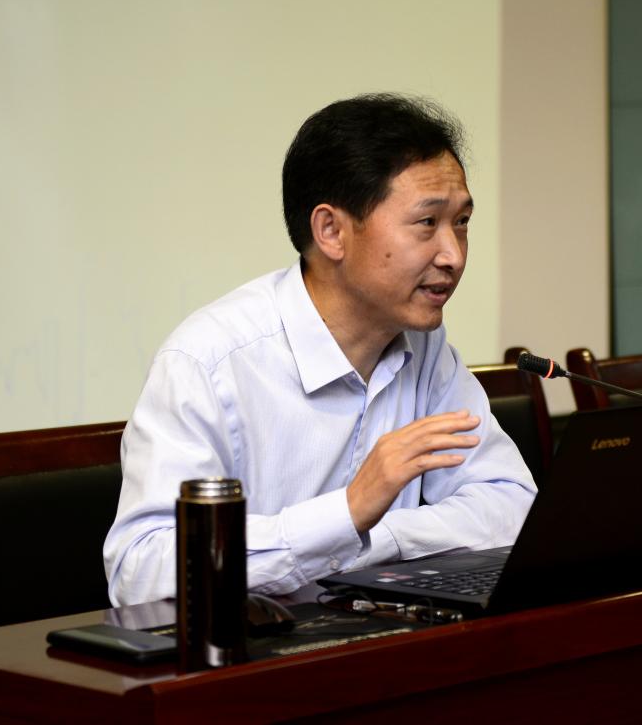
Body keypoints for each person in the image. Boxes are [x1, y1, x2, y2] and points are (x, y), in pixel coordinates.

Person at [103, 94, 537, 605]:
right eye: (427, 223)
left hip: (378, 636)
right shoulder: (209, 363)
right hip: (249, 650)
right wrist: (346, 513)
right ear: (331, 231)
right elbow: (140, 570)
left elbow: (511, 505)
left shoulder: (424, 347)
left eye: (461, 222)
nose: (454, 255)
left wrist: (368, 538)